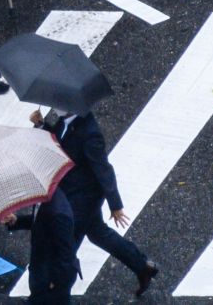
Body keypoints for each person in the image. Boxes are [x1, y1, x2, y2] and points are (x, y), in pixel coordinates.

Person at [31, 108, 159, 297]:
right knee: (98, 234)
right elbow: (59, 145)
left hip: (82, 200)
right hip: (74, 193)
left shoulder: (90, 133)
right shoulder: (64, 122)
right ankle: (142, 266)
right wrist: (42, 125)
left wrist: (115, 205)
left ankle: (55, 292)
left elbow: (104, 169)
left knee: (65, 246)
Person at [3, 187, 79, 304]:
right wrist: (16, 221)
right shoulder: (45, 199)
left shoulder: (58, 214)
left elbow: (66, 253)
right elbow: (40, 221)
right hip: (43, 274)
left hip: (51, 281)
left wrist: (57, 282)